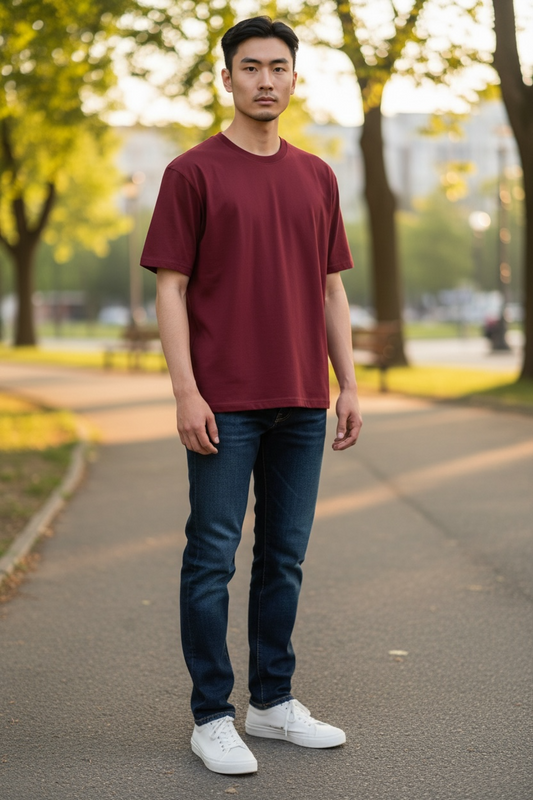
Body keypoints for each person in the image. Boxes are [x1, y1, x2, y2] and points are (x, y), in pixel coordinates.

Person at [140, 15, 363, 776]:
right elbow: (170, 290)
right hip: (224, 404)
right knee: (212, 559)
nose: (265, 80)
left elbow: (331, 290)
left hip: (301, 399)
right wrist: (186, 392)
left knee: (283, 558)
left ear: (295, 78)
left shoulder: (318, 176)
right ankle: (212, 715)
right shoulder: (191, 173)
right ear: (227, 77)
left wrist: (348, 384)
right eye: (250, 67)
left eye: (277, 67)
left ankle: (271, 703)